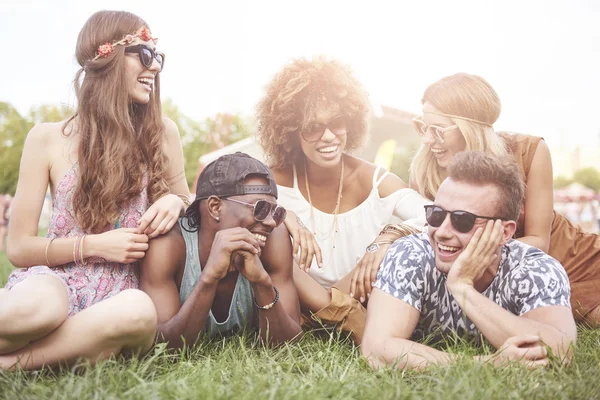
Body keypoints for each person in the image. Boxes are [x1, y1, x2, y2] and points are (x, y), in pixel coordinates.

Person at [0, 10, 190, 370]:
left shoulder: (163, 133)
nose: (155, 68)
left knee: (138, 313)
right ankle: (78, 345)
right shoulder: (47, 138)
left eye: (158, 57)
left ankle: (12, 364)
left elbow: (186, 201)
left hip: (122, 294)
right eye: (144, 55)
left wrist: (174, 200)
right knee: (39, 310)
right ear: (108, 58)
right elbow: (19, 247)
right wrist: (94, 245)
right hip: (54, 278)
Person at [380, 72, 600, 326]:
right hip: (495, 279)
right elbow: (426, 241)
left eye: (438, 130)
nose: (429, 140)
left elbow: (540, 242)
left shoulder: (529, 151)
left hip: (572, 260)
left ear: (469, 127)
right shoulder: (426, 171)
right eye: (423, 128)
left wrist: (469, 263)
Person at [256, 56, 428, 343]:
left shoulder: (373, 180)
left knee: (405, 245)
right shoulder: (276, 180)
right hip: (294, 303)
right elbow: (231, 203)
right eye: (313, 127)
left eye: (337, 123)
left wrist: (387, 238)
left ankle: (330, 311)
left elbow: (434, 215)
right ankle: (337, 313)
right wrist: (287, 215)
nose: (328, 136)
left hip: (359, 297)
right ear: (291, 131)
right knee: (266, 229)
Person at [362, 151, 576, 370]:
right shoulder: (411, 254)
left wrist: (463, 288)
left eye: (462, 220)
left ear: (504, 232)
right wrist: (486, 365)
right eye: (436, 214)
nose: (442, 232)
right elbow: (376, 349)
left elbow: (558, 352)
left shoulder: (535, 269)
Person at [140, 152, 302, 347]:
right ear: (215, 207)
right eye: (260, 208)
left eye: (275, 211)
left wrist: (262, 283)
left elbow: (290, 344)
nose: (270, 222)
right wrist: (209, 277)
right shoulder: (169, 244)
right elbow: (164, 347)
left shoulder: (275, 238)